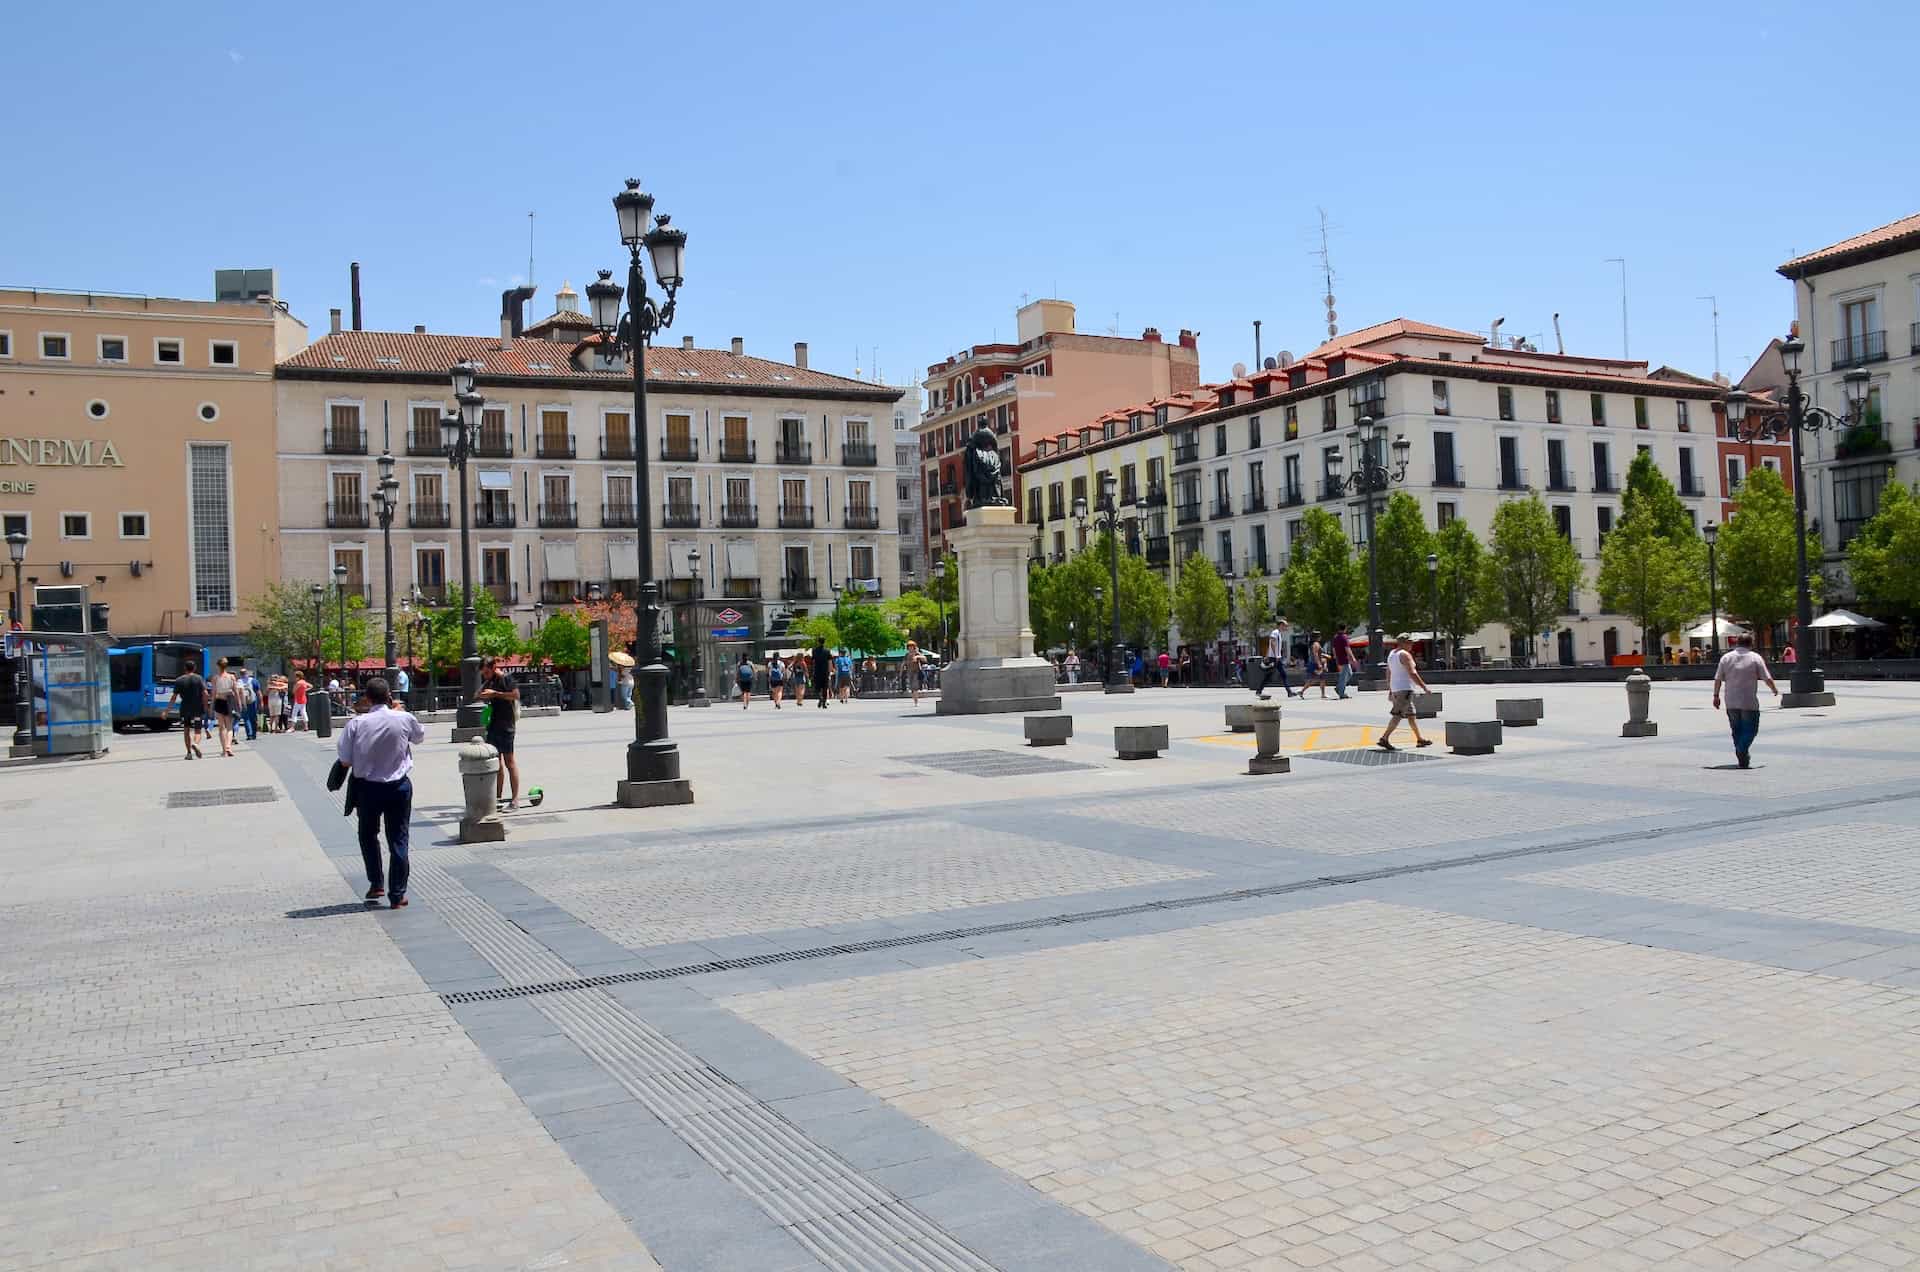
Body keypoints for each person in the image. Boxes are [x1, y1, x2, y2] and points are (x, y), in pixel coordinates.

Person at [334, 676, 425, 909]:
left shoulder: (356, 724)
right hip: (399, 786)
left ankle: (376, 883)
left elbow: (344, 759)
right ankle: (397, 894)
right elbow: (419, 737)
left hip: (368, 788)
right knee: (398, 839)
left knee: (367, 835)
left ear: (367, 698)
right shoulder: (404, 718)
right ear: (390, 696)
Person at [1713, 633, 1778, 769]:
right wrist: (1774, 689)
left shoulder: (1726, 658)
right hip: (1749, 701)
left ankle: (1742, 755)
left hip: (1731, 700)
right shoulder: (1755, 657)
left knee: (1736, 729)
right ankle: (1742, 750)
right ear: (1751, 643)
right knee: (1751, 729)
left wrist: (1716, 696)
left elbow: (1718, 678)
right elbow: (1766, 677)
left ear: (1737, 643)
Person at [478, 655, 524, 809]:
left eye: (486, 672)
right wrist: (484, 687)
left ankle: (515, 798)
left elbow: (516, 695)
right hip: (493, 725)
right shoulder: (489, 681)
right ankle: (497, 798)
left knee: (509, 762)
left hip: (506, 725)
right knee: (496, 764)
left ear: (493, 668)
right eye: (483, 674)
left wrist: (496, 694)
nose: (485, 675)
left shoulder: (506, 679)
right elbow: (476, 695)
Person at [1377, 634, 1434, 751]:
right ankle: (1384, 738)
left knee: (1411, 716)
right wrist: (1424, 687)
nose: (1412, 644)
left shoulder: (1392, 654)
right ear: (1402, 643)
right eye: (1409, 642)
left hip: (1397, 689)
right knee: (1397, 715)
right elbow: (1412, 673)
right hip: (1405, 689)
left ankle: (1419, 739)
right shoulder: (1405, 655)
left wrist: (1390, 688)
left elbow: (1388, 672)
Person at [167, 656, 207, 760]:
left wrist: (167, 711)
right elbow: (205, 693)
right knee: (198, 730)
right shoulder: (199, 678)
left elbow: (174, 697)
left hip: (185, 708)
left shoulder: (179, 680)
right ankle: (196, 744)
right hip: (197, 707)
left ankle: (189, 753)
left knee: (186, 729)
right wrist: (206, 705)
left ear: (185, 668)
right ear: (194, 668)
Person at [209, 657, 240, 757]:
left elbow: (213, 694)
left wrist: (211, 706)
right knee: (229, 727)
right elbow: (236, 692)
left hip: (219, 701)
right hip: (229, 701)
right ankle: (228, 747)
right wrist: (239, 703)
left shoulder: (215, 678)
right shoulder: (231, 677)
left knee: (221, 727)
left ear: (218, 666)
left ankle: (224, 750)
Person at [1266, 620, 1299, 699]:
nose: (1286, 627)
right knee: (1269, 675)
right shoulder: (1275, 632)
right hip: (1274, 658)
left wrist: (1268, 655)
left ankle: (1289, 692)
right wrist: (1276, 655)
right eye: (1285, 625)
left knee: (1282, 675)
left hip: (1275, 657)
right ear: (1281, 625)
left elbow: (1270, 645)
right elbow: (1272, 643)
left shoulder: (1279, 634)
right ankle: (1259, 690)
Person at [1330, 625, 1356, 699]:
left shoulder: (1335, 637)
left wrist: (1335, 657)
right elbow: (1347, 649)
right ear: (1345, 629)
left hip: (1339, 658)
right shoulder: (1344, 637)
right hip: (1344, 658)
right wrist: (1353, 658)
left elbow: (1334, 649)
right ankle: (1341, 692)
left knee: (1349, 674)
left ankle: (1339, 687)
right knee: (1344, 676)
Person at [1306, 633, 1330, 699]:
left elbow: (1319, 653)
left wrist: (1325, 656)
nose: (1321, 637)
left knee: (1322, 679)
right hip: (1315, 664)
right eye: (1320, 636)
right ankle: (1302, 691)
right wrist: (1319, 664)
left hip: (1316, 663)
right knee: (1314, 679)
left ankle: (1323, 694)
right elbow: (1315, 654)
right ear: (1317, 637)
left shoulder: (1315, 644)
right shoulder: (1316, 644)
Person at [811, 638, 832, 709]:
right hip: (825, 672)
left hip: (817, 671)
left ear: (818, 642)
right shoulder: (827, 651)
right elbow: (830, 662)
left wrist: (813, 671)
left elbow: (813, 662)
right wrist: (830, 671)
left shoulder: (814, 651)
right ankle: (824, 702)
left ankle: (820, 697)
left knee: (818, 687)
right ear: (824, 642)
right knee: (825, 688)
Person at [904, 640, 924, 706]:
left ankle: (916, 702)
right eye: (909, 647)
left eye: (912, 646)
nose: (910, 648)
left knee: (915, 687)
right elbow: (903, 663)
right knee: (912, 688)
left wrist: (917, 657)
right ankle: (915, 700)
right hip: (909, 672)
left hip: (916, 672)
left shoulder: (917, 653)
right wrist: (901, 671)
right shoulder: (906, 655)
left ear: (914, 647)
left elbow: (924, 658)